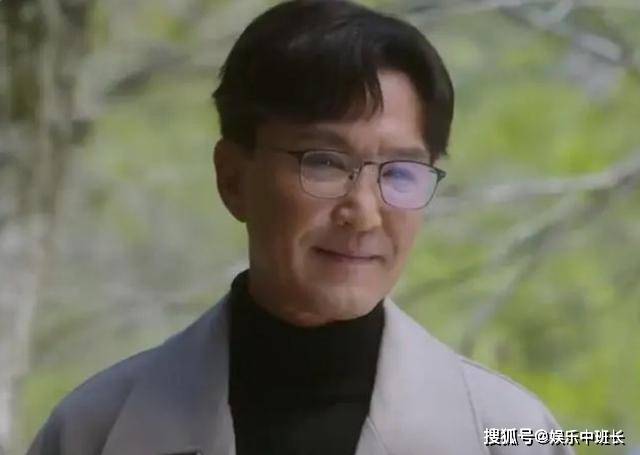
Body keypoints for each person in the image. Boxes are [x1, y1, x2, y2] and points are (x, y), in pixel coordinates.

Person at [27, 1, 574, 454]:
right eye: (325, 162)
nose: (364, 213)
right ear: (233, 178)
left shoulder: (511, 434)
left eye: (400, 172)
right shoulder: (94, 431)